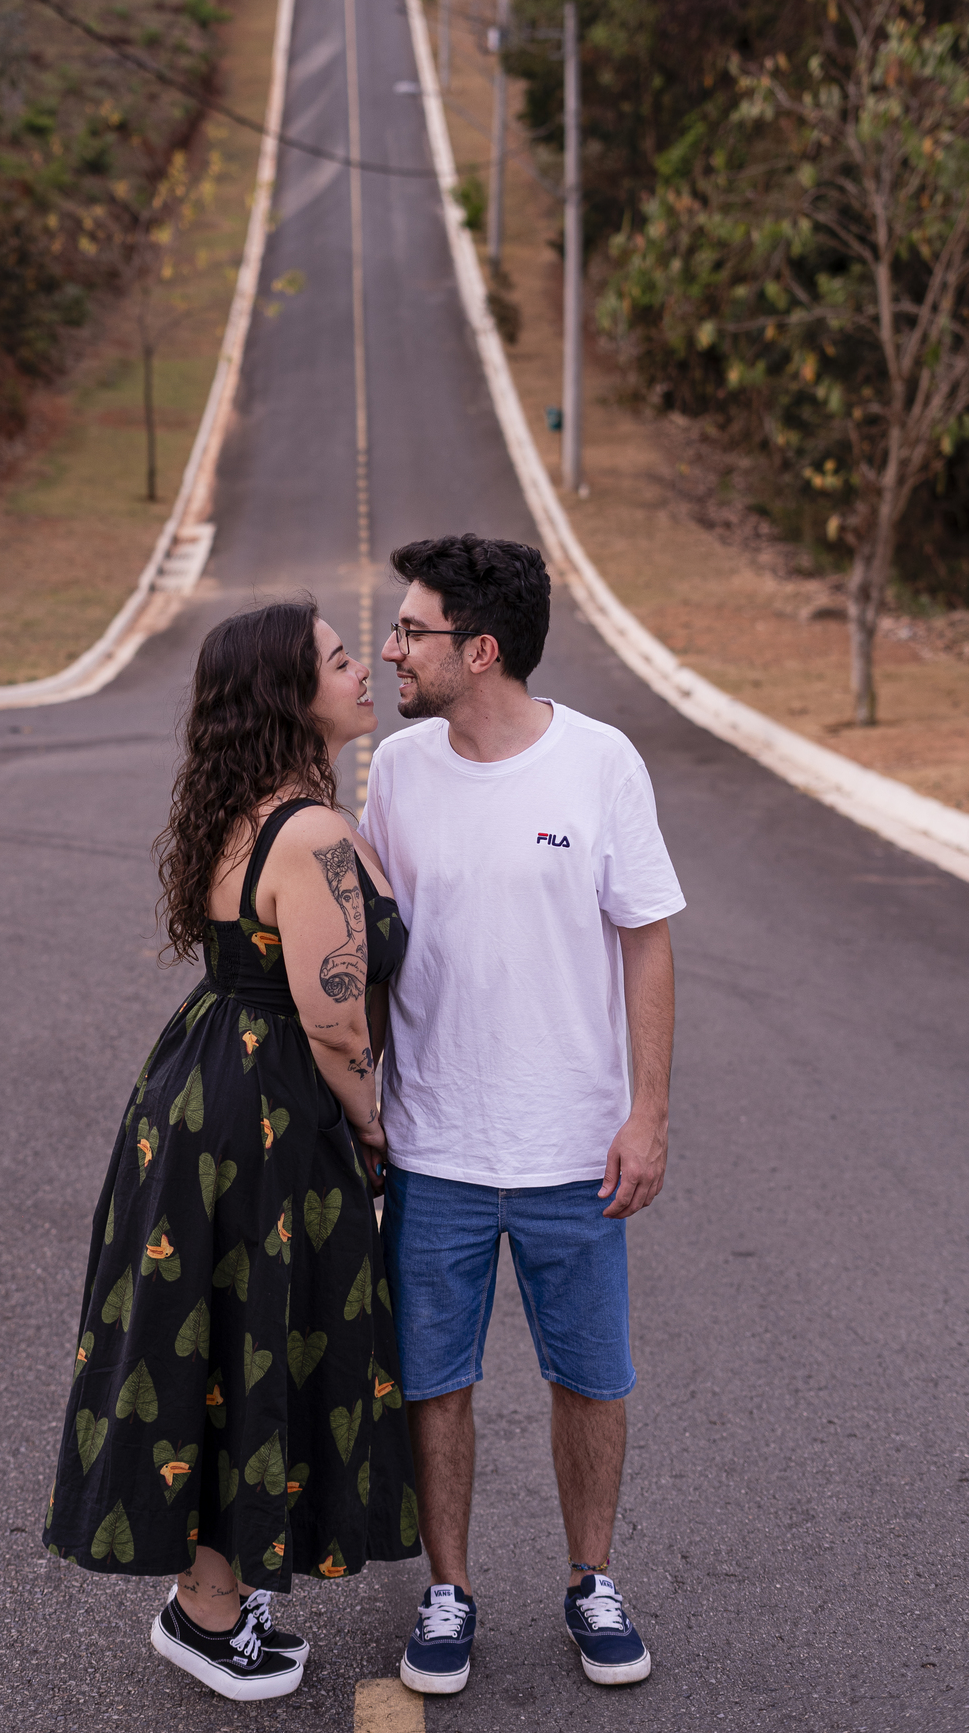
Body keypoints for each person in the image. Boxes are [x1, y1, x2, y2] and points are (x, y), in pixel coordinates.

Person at [43, 600, 419, 1703]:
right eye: (339, 660)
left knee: (218, 1338)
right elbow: (334, 1019)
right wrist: (373, 1125)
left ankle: (214, 1596)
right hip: (267, 1113)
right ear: (288, 695)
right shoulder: (311, 834)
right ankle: (206, 1615)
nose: (363, 669)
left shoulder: (249, 812)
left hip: (206, 1092)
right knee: (257, 1333)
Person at [359, 536, 685, 1694]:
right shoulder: (396, 772)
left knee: (590, 1377)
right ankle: (448, 1591)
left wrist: (648, 1116)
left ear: (482, 650)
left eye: (413, 631)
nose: (390, 649)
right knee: (434, 1379)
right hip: (434, 1146)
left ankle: (592, 1580)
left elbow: (647, 941)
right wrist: (365, 1105)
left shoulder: (600, 763)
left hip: (573, 1149)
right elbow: (375, 951)